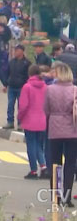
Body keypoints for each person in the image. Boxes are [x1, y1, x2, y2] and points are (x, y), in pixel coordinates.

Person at [44, 62, 77, 207]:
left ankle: (55, 196)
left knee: (55, 163)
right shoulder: (75, 89)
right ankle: (67, 197)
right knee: (70, 164)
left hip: (55, 129)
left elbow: (46, 109)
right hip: (72, 130)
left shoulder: (49, 89)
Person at [18, 65, 47, 179]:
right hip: (42, 120)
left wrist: (19, 118)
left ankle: (33, 170)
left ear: (29, 74)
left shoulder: (27, 87)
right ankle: (44, 167)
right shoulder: (45, 87)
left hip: (30, 120)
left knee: (31, 145)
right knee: (39, 145)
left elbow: (23, 106)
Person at [4, 44, 31, 129]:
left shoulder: (27, 63)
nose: (15, 52)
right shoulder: (11, 62)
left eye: (17, 50)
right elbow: (7, 73)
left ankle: (20, 123)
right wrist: (5, 85)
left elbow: (29, 76)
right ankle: (10, 122)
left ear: (22, 51)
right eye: (15, 50)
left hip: (22, 87)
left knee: (21, 106)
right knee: (10, 105)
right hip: (11, 87)